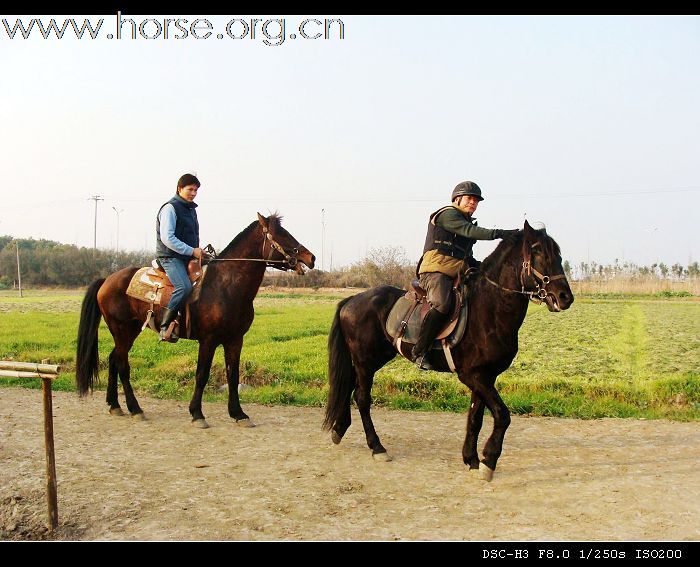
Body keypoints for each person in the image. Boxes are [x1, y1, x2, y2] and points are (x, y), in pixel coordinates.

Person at [412, 180, 519, 370]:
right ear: (457, 199)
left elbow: (465, 255)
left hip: (458, 271)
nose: (473, 203)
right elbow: (470, 231)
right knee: (442, 304)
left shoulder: (465, 220)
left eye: (476, 201)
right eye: (470, 199)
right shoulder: (447, 214)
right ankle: (420, 351)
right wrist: (500, 233)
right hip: (435, 271)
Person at [156, 173, 204, 342]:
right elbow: (167, 238)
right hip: (170, 257)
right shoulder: (170, 208)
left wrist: (198, 252)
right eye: (190, 189)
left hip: (187, 257)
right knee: (184, 287)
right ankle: (164, 326)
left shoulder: (191, 210)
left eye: (196, 190)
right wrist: (192, 251)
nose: (193, 193)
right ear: (179, 188)